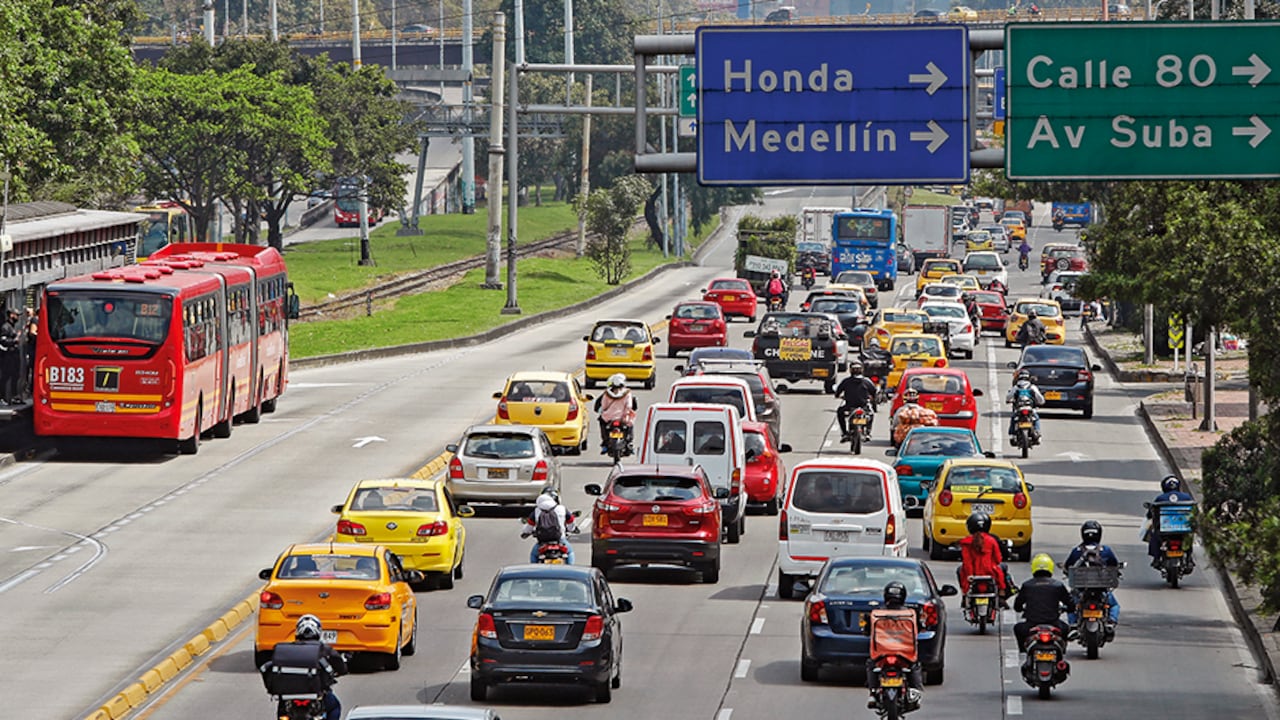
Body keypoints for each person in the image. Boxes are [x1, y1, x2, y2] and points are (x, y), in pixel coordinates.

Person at [263, 614, 347, 720]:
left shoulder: (287, 651)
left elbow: (267, 667)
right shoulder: (323, 649)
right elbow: (341, 667)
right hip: (315, 696)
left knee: (282, 712)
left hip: (288, 697)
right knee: (334, 707)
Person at [865, 581, 923, 709]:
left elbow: (867, 629)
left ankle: (873, 693)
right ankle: (915, 691)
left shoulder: (876, 613)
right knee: (915, 666)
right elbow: (919, 628)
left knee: (871, 664)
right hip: (905, 654)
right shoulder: (911, 613)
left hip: (881, 653)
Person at [1062, 520, 1121, 633]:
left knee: (1071, 605)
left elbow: (1068, 566)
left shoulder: (1077, 551)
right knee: (1114, 605)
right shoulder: (1106, 550)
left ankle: (1073, 624)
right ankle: (1111, 621)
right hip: (1101, 589)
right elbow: (1114, 565)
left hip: (1081, 589)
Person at [1013, 554, 1075, 654]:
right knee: (1066, 628)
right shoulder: (1058, 585)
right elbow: (1070, 604)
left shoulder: (1027, 585)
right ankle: (1061, 652)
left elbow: (1017, 606)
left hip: (1031, 624)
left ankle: (1024, 651)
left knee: (1018, 628)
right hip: (1054, 623)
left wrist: (1022, 609)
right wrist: (1068, 608)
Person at [958, 512, 1010, 607]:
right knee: (1003, 567)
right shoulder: (992, 540)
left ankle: (964, 596)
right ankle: (1002, 595)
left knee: (959, 570)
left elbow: (967, 562)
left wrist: (970, 574)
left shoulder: (966, 542)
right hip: (991, 573)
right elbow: (998, 559)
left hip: (972, 575)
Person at [1146, 475, 1194, 564]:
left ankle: (1156, 558)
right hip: (1183, 529)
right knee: (1189, 536)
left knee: (1153, 533)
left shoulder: (1160, 498)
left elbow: (1150, 514)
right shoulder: (1186, 497)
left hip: (1165, 530)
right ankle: (1189, 557)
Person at [594, 373, 638, 453]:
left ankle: (605, 442)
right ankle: (629, 442)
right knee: (630, 424)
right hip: (623, 418)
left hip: (608, 417)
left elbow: (604, 406)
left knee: (602, 422)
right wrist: (625, 415)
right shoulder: (627, 393)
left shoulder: (607, 394)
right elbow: (629, 406)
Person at [834, 362, 879, 441]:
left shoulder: (846, 381)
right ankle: (868, 433)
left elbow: (838, 391)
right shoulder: (867, 381)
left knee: (840, 412)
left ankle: (844, 433)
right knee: (871, 414)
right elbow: (874, 392)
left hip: (850, 406)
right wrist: (873, 398)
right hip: (863, 406)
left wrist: (838, 395)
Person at [528, 487, 574, 564]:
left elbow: (529, 527)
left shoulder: (536, 511)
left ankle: (534, 571)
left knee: (534, 555)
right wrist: (572, 529)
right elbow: (571, 522)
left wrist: (526, 532)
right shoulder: (562, 509)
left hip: (542, 542)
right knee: (570, 553)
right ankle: (570, 570)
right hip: (560, 539)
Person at [1006, 369, 1045, 442]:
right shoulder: (1032, 387)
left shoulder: (1016, 387)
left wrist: (1008, 400)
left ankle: (1012, 434)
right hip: (1030, 408)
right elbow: (1040, 398)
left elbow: (1009, 396)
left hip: (1019, 408)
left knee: (1014, 418)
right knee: (1036, 418)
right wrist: (1041, 402)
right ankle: (1037, 432)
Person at [0, 309, 21, 405]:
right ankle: (2, 398)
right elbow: (3, 341)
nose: (18, 317)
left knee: (15, 375)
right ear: (11, 315)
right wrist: (15, 340)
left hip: (14, 355)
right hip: (8, 355)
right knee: (5, 376)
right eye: (16, 315)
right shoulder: (5, 327)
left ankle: (14, 397)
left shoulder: (12, 327)